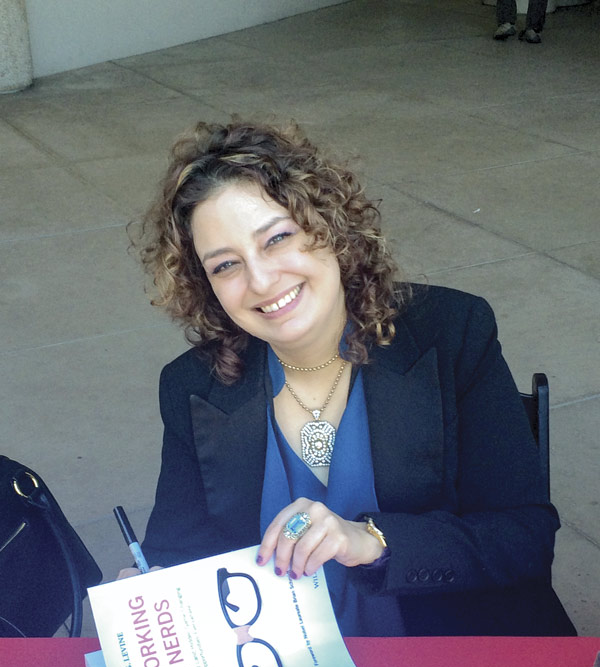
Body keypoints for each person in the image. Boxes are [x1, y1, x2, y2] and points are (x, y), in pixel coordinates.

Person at [121, 118, 575, 637]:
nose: (261, 280)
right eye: (226, 266)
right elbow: (176, 551)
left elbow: (524, 537)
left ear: (330, 228)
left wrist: (372, 542)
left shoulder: (450, 332)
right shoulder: (192, 386)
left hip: (446, 658)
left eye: (278, 238)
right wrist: (150, 591)